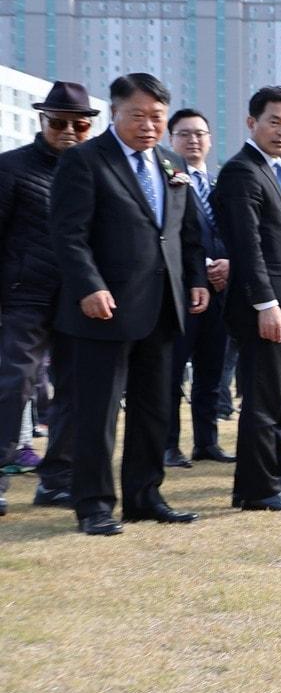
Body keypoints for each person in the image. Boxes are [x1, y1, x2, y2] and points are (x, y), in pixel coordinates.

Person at [51, 73, 209, 534]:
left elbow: (186, 232)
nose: (148, 125)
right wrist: (88, 286)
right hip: (103, 309)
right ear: (114, 112)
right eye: (137, 115)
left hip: (161, 308)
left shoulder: (171, 162)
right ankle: (94, 505)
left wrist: (196, 279)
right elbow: (67, 234)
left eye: (157, 116)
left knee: (155, 407)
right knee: (97, 412)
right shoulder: (84, 160)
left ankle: (144, 496)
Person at [212, 85, 281, 513]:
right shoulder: (242, 171)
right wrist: (266, 305)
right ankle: (258, 491)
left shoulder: (274, 170)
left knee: (273, 401)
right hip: (263, 309)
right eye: (274, 121)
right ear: (251, 122)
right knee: (260, 403)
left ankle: (258, 484)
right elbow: (248, 246)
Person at [0, 81, 95, 515]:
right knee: (14, 383)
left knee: (75, 390)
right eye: (59, 123)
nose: (69, 131)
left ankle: (56, 481)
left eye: (79, 124)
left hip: (79, 298)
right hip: (25, 295)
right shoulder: (11, 167)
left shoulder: (97, 171)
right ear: (43, 122)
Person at [164, 108, 235, 468]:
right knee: (172, 373)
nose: (193, 140)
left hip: (221, 293)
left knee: (211, 372)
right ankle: (168, 445)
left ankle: (206, 443)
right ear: (170, 139)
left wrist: (228, 265)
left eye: (200, 134)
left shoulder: (221, 185)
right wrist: (201, 269)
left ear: (209, 140)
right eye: (184, 134)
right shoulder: (165, 181)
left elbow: (236, 233)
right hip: (180, 292)